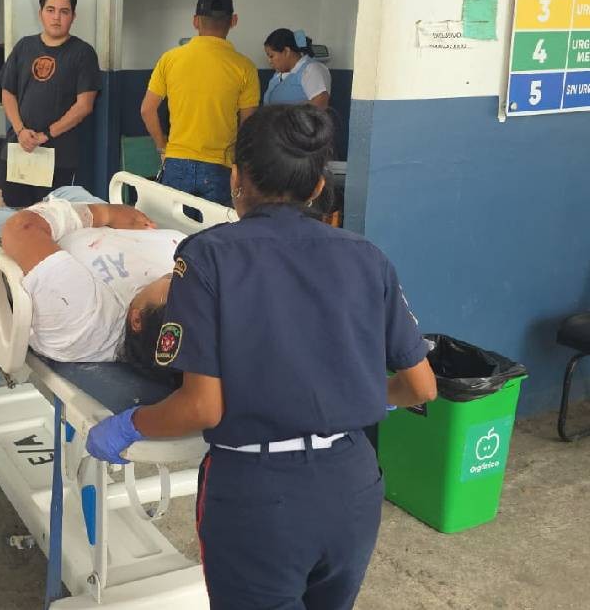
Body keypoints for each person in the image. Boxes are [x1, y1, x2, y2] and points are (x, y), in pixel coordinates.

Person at [86, 104, 438, 610]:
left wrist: (129, 426)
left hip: (260, 497)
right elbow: (421, 387)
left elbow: (201, 407)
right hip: (353, 487)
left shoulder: (206, 256)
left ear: (237, 178)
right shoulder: (367, 257)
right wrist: (358, 394)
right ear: (318, 186)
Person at [0, 193, 183, 371]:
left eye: (176, 288)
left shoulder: (82, 315)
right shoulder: (175, 291)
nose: (184, 279)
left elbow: (21, 227)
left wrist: (107, 213)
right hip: (94, 215)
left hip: (58, 223)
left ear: (137, 319)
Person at [140, 0, 260, 206]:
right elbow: (248, 125)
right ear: (233, 21)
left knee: (173, 229)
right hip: (220, 169)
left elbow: (147, 110)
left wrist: (163, 148)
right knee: (215, 228)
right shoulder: (245, 68)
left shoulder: (170, 59)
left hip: (176, 163)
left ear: (196, 21)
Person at [0, 0, 101, 208]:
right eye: (50, 10)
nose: (56, 17)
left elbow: (84, 106)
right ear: (41, 13)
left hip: (58, 155)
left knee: (50, 216)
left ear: (73, 17)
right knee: (9, 211)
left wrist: (46, 135)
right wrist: (21, 130)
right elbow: (7, 93)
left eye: (64, 11)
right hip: (19, 148)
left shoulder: (83, 53)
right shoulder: (24, 46)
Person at [264, 28, 332, 108]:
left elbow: (320, 104)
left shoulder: (311, 69)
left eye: (271, 56)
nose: (269, 61)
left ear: (286, 51)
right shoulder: (278, 74)